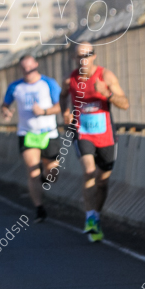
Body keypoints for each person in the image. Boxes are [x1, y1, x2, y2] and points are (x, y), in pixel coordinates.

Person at [60, 42, 129, 242]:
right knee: (89, 170)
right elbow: (62, 96)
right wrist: (65, 111)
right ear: (75, 58)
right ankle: (89, 217)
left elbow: (125, 103)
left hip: (106, 135)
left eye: (87, 55)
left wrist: (107, 93)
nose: (84, 59)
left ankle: (96, 217)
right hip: (83, 133)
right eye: (80, 56)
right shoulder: (69, 80)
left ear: (94, 56)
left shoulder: (105, 76)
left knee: (103, 181)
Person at [1, 54, 62, 223]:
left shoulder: (49, 84)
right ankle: (39, 208)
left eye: (31, 68)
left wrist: (43, 111)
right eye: (24, 69)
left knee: (52, 174)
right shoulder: (15, 87)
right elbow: (5, 105)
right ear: (21, 69)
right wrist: (6, 111)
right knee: (32, 171)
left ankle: (45, 176)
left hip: (48, 133)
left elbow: (60, 106)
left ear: (36, 65)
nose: (28, 72)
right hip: (27, 134)